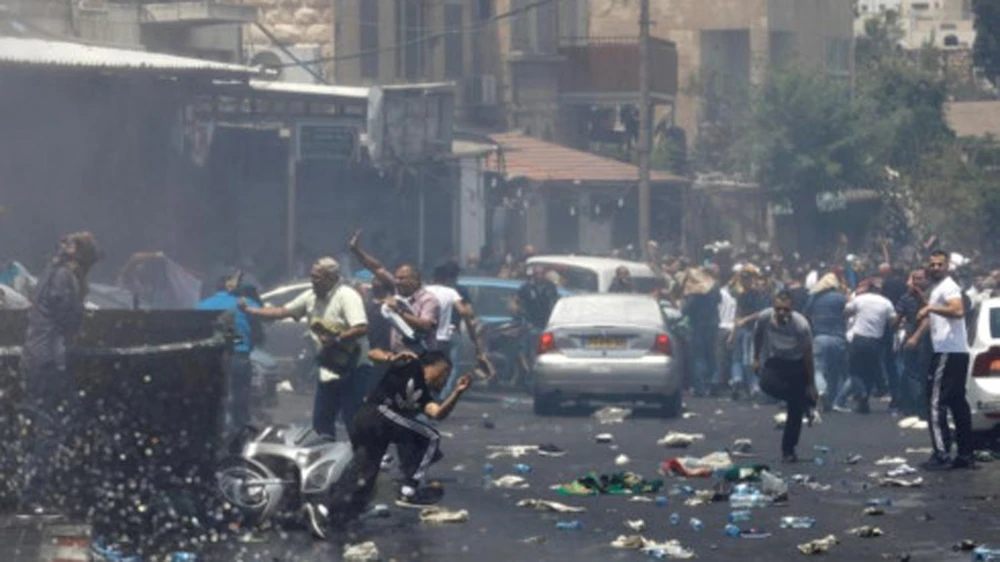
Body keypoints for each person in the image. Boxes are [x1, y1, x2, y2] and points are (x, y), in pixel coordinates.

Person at [304, 349, 472, 539]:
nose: (445, 380)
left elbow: (438, 413)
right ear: (434, 367)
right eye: (445, 374)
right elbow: (373, 353)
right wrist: (392, 358)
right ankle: (410, 490)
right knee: (430, 436)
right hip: (375, 415)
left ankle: (326, 511)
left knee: (363, 476)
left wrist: (457, 392)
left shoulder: (424, 396)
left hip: (377, 428)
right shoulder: (411, 366)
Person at [20, 232, 102, 517]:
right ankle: (32, 495)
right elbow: (67, 315)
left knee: (48, 424)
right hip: (47, 360)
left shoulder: (54, 272)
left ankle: (37, 490)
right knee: (49, 426)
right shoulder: (64, 277)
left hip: (40, 356)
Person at [243, 257, 370, 441]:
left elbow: (361, 327)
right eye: (312, 276)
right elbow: (282, 311)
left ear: (331, 278)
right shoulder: (310, 296)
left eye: (317, 277)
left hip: (354, 368)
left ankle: (363, 461)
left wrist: (337, 338)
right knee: (321, 422)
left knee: (353, 419)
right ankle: (324, 460)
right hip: (328, 367)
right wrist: (252, 311)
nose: (313, 281)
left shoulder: (347, 296)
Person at [917, 250, 975, 471]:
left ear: (948, 265)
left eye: (940, 264)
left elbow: (957, 311)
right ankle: (965, 454)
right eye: (932, 264)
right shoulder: (939, 288)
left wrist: (930, 307)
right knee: (958, 402)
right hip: (956, 351)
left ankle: (941, 454)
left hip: (947, 352)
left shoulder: (948, 286)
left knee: (935, 402)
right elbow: (941, 313)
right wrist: (922, 301)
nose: (935, 268)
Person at [753, 290, 817, 463]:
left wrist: (811, 384)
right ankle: (801, 401)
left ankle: (788, 450)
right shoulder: (765, 317)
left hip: (797, 364)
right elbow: (758, 335)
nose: (782, 313)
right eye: (778, 309)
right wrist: (756, 358)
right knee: (766, 384)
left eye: (786, 310)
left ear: (792, 309)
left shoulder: (801, 325)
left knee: (794, 412)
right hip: (777, 361)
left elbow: (808, 355)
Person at [350, 230, 440, 353]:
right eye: (396, 278)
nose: (397, 281)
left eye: (402, 279)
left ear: (416, 280)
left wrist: (398, 311)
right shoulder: (397, 291)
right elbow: (378, 268)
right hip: (398, 357)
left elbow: (425, 326)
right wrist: (357, 251)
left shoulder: (428, 299)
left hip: (421, 357)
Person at [197, 270, 262, 434]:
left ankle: (217, 435)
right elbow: (262, 316)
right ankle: (238, 438)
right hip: (239, 357)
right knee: (239, 403)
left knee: (216, 401)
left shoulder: (201, 306)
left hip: (212, 360)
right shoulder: (245, 304)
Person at [424, 262, 486, 398]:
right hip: (448, 333)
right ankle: (441, 396)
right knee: (453, 366)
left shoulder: (424, 290)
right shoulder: (455, 291)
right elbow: (466, 312)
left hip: (427, 334)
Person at [841, 281, 897, 414]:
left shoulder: (860, 299)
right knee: (870, 371)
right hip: (875, 341)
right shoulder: (886, 302)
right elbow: (893, 321)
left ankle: (861, 393)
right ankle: (864, 400)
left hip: (859, 338)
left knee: (854, 370)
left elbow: (846, 312)